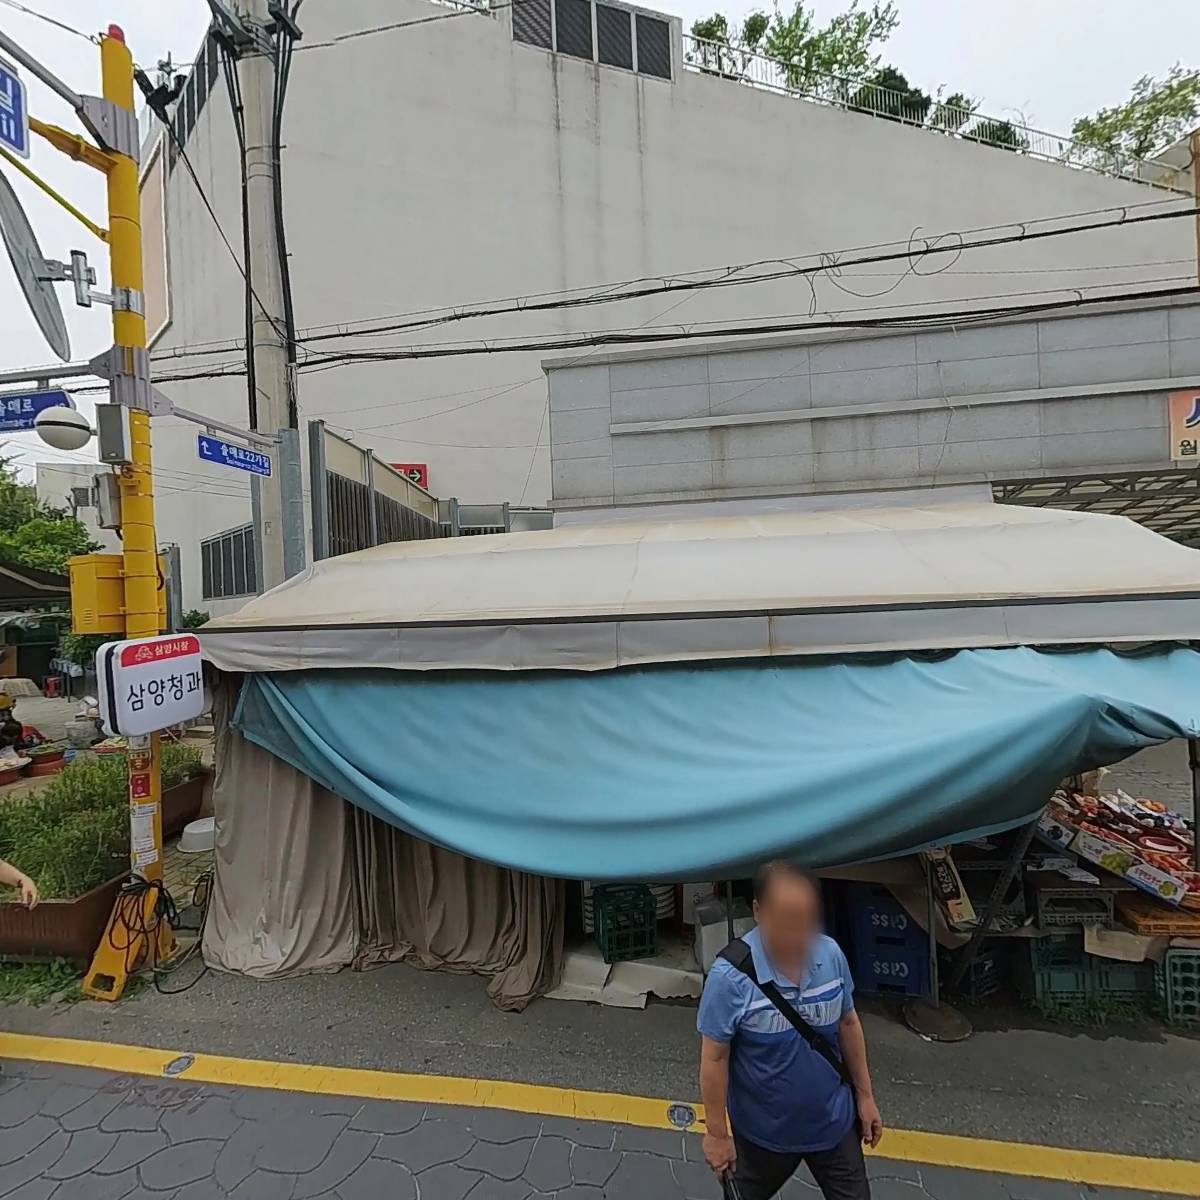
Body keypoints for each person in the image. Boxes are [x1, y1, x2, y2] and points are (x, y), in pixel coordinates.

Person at [698, 861, 883, 1200]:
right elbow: (714, 1058)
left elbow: (848, 1023)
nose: (796, 935)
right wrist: (717, 1134)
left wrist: (866, 1097)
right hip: (760, 1137)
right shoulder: (730, 978)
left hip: (833, 1126)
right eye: (785, 921)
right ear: (758, 911)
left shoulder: (831, 956)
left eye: (805, 920)